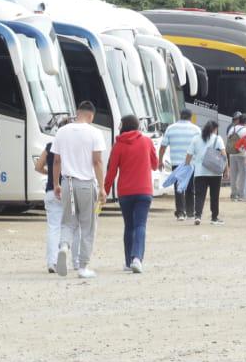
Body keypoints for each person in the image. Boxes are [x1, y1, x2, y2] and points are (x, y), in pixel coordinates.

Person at [52, 101, 107, 279]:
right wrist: (102, 187)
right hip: (86, 183)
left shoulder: (62, 131)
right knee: (88, 226)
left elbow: (57, 161)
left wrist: (56, 184)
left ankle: (63, 247)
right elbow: (97, 161)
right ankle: (83, 267)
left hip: (67, 182)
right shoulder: (95, 132)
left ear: (77, 113)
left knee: (68, 222)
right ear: (91, 116)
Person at [104, 113, 159, 273]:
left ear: (124, 126)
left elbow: (111, 172)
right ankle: (137, 259)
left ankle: (129, 262)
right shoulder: (147, 142)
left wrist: (105, 192)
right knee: (140, 225)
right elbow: (155, 165)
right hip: (144, 190)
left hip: (125, 192)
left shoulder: (118, 145)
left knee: (129, 226)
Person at [34, 119, 67, 273]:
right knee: (70, 226)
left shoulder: (49, 146)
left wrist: (49, 175)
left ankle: (51, 262)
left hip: (51, 191)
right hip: (68, 190)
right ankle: (70, 258)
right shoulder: (72, 146)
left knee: (53, 227)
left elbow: (38, 166)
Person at [160, 111, 202, 222]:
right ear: (190, 117)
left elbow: (163, 146)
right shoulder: (196, 129)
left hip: (176, 163)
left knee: (178, 188)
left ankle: (180, 213)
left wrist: (160, 160)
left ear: (180, 116)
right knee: (190, 187)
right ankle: (190, 212)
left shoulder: (171, 128)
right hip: (191, 164)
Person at [190, 119, 227, 225]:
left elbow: (189, 154)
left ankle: (197, 216)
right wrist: (226, 170)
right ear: (215, 129)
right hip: (215, 172)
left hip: (200, 172)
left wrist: (187, 165)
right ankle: (214, 218)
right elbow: (224, 155)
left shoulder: (196, 139)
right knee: (214, 195)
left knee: (199, 195)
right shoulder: (218, 139)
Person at [227, 113, 246, 203]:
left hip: (232, 154)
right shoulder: (245, 130)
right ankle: (241, 194)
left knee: (233, 174)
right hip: (242, 154)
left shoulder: (232, 129)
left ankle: (233, 194)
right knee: (242, 174)